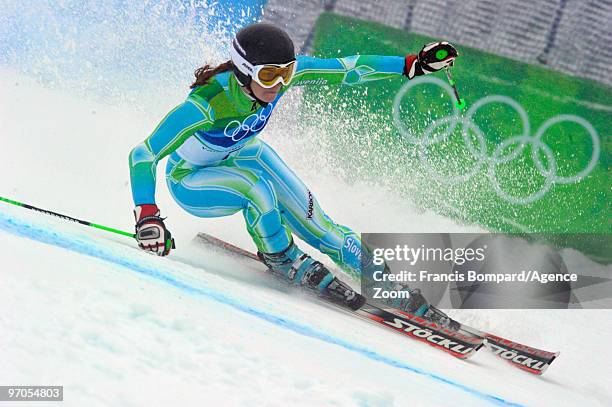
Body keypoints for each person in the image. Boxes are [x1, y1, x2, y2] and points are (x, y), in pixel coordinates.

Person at [129, 23, 458, 313]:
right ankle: (282, 259)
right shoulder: (206, 103)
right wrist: (148, 216)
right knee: (259, 191)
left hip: (240, 155)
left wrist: (412, 64)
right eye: (269, 75)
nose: (277, 84)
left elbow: (348, 69)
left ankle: (382, 280)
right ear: (245, 72)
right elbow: (143, 154)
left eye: (285, 73)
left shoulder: (280, 79)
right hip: (190, 179)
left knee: (321, 225)